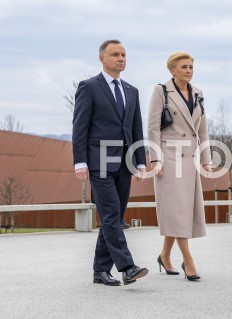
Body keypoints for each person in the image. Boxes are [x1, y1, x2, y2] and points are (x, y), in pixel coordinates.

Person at [72, 39, 148, 286]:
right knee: (112, 214)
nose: (121, 58)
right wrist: (80, 161)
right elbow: (80, 127)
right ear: (102, 58)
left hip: (125, 163)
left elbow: (136, 129)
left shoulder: (132, 91)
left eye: (124, 54)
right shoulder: (89, 87)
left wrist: (140, 162)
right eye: (115, 54)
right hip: (99, 162)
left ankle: (100, 270)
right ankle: (127, 267)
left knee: (112, 216)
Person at [147, 51, 212, 281]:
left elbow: (202, 129)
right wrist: (154, 160)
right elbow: (153, 127)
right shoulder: (161, 91)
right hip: (169, 156)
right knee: (177, 210)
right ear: (172, 69)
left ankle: (164, 255)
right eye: (184, 67)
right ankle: (188, 260)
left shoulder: (198, 94)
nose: (189, 70)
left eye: (191, 66)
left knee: (181, 211)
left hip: (191, 158)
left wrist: (206, 159)